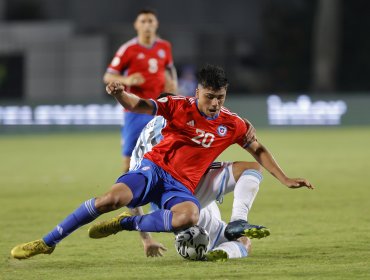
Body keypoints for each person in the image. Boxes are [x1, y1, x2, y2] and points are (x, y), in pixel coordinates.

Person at [11, 64, 313, 260]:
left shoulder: (232, 124)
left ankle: (128, 224)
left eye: (220, 97)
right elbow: (139, 104)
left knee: (188, 217)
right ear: (197, 92)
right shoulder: (178, 105)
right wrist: (120, 95)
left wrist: (285, 178)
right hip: (153, 171)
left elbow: (257, 149)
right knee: (109, 199)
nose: (215, 103)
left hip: (182, 186)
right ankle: (47, 241)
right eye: (209, 96)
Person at [127, 108, 267, 260]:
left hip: (169, 209)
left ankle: (210, 240)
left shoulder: (143, 142)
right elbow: (216, 119)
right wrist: (242, 124)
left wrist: (146, 240)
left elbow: (131, 195)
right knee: (244, 241)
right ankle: (227, 242)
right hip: (187, 194)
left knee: (209, 222)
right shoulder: (182, 120)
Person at [103, 8, 177, 172]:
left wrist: (172, 83)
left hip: (159, 108)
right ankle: (127, 194)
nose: (147, 25)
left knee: (165, 156)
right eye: (143, 21)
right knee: (128, 160)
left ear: (156, 24)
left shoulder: (165, 47)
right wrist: (127, 80)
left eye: (150, 21)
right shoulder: (128, 49)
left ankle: (159, 193)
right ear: (136, 25)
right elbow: (108, 76)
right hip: (135, 109)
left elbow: (168, 69)